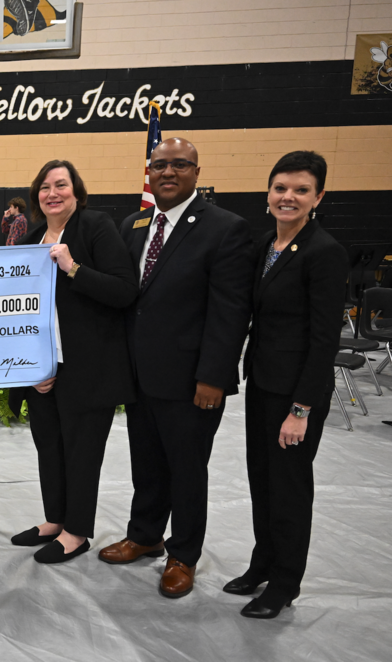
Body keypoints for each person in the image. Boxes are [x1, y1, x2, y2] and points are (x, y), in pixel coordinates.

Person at [99, 138, 254, 598]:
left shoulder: (226, 228)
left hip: (192, 381)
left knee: (187, 470)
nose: (168, 172)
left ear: (197, 172)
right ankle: (145, 534)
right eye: (160, 165)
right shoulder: (134, 223)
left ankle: (183, 554)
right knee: (146, 464)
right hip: (140, 375)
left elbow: (231, 311)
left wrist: (214, 376)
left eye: (180, 165)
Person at [225, 152, 347, 619]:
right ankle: (262, 564)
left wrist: (301, 409)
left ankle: (285, 584)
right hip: (263, 384)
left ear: (318, 197)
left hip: (295, 394)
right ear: (268, 193)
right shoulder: (266, 247)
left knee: (290, 490)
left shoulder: (323, 252)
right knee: (263, 481)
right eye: (280, 188)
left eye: (300, 190)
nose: (288, 197)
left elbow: (323, 339)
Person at [7, 161, 137, 564]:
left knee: (81, 452)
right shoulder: (30, 240)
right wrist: (32, 367)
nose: (52, 193)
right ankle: (56, 520)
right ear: (36, 198)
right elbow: (20, 310)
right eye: (44, 187)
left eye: (61, 185)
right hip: (46, 368)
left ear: (76, 193)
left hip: (88, 367)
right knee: (49, 445)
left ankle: (77, 532)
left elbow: (124, 290)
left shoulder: (95, 227)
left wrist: (73, 268)